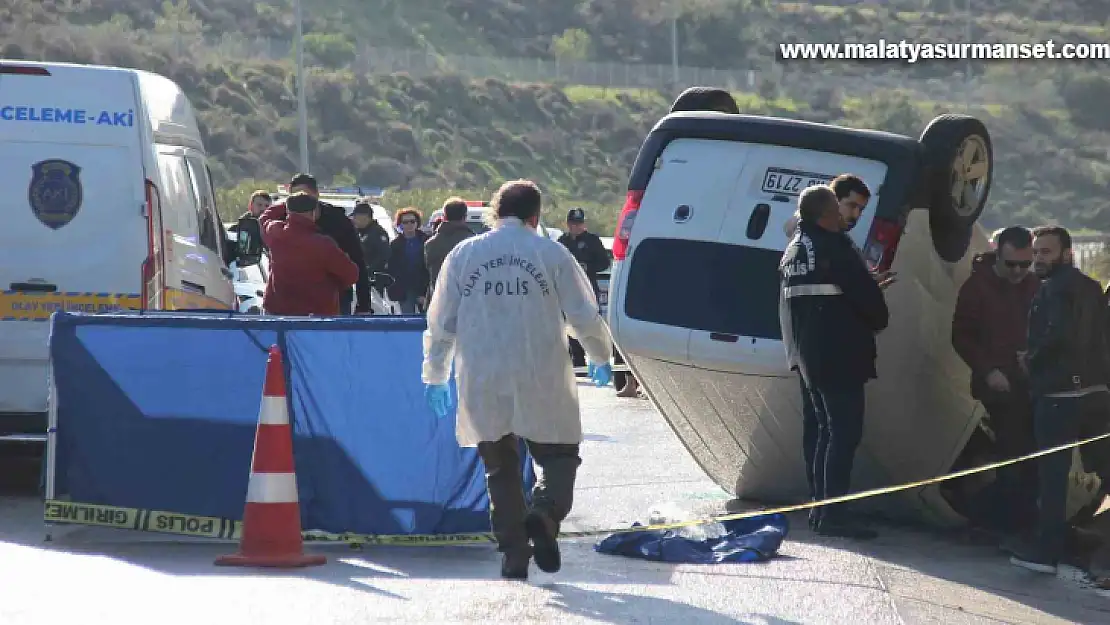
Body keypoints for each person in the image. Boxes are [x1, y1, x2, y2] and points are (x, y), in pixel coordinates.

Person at [421, 180, 613, 580]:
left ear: (495, 212)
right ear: (535, 215)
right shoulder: (550, 253)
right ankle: (544, 510)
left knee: (500, 468)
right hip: (540, 371)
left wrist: (436, 374)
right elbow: (583, 314)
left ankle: (513, 555)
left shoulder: (464, 254)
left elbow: (441, 323)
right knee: (558, 455)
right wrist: (599, 355)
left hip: (483, 374)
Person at [779, 185, 889, 539]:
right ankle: (833, 515)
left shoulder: (794, 249)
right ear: (828, 214)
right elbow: (870, 305)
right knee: (843, 433)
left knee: (824, 431)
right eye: (841, 211)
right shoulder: (836, 246)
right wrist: (874, 299)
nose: (845, 217)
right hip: (840, 353)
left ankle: (821, 507)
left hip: (808, 354)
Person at [1009, 226, 1110, 574]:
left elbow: (1058, 335)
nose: (1038, 259)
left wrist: (1030, 361)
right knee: (1106, 470)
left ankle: (1046, 552)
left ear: (1066, 253)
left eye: (1046, 252)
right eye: (1036, 252)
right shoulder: (1093, 288)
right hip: (1096, 395)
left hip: (1059, 395)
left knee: (1052, 477)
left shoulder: (1052, 290)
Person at [950, 226, 1040, 534]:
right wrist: (988, 370)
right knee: (1012, 454)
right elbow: (961, 336)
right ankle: (1007, 525)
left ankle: (1019, 521)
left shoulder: (1035, 284)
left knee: (1031, 456)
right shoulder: (977, 287)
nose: (1018, 271)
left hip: (1033, 383)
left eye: (1024, 265)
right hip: (998, 386)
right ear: (997, 254)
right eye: (1011, 264)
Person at [258, 192, 359, 316]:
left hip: (277, 314)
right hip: (315, 320)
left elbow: (264, 217)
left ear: (288, 211)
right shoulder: (323, 244)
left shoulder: (275, 232)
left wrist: (286, 203)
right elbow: (351, 275)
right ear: (314, 213)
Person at [284, 174, 371, 315]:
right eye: (294, 196)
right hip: (296, 300)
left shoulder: (338, 221)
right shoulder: (283, 223)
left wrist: (364, 305)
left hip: (336, 298)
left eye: (304, 194)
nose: (300, 200)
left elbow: (357, 262)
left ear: (316, 194)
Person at [557, 208, 610, 371]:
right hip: (568, 289)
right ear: (568, 224)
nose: (576, 227)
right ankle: (577, 359)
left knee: (589, 323)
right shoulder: (562, 242)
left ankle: (596, 358)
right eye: (573, 224)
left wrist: (588, 267)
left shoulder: (592, 241)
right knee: (570, 324)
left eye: (579, 224)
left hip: (588, 289)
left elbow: (604, 263)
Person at [425, 197, 474, 297]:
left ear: (444, 217)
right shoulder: (473, 242)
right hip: (467, 298)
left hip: (438, 299)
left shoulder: (431, 243)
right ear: (464, 216)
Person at [385, 207, 431, 314]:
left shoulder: (427, 241)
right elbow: (392, 267)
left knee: (426, 320)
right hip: (405, 289)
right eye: (405, 222)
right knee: (407, 319)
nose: (409, 224)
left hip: (424, 288)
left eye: (412, 221)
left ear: (417, 223)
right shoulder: (395, 244)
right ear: (400, 224)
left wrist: (426, 291)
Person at [351, 201, 391, 288]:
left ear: (366, 217)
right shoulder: (359, 232)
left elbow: (383, 256)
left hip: (373, 280)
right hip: (360, 277)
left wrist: (368, 270)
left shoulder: (378, 233)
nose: (354, 220)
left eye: (356, 217)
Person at [227, 190, 271, 256]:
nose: (263, 209)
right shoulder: (240, 227)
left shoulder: (273, 227)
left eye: (266, 206)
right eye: (259, 205)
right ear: (251, 206)